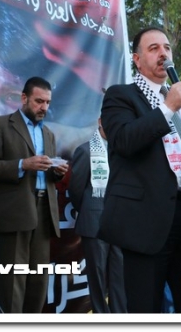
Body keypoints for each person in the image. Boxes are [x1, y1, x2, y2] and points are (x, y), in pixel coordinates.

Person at [97, 27, 181, 313]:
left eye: (166, 47)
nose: (163, 53)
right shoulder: (121, 96)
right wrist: (168, 107)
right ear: (137, 59)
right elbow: (124, 140)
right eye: (153, 48)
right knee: (146, 309)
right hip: (146, 221)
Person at [0, 76, 69, 313]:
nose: (44, 107)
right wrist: (23, 164)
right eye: (39, 101)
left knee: (38, 281)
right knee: (13, 281)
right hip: (15, 213)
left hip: (44, 213)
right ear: (24, 98)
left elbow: (48, 173)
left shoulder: (49, 134)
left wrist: (57, 172)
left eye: (47, 102)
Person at [68, 118, 127, 313]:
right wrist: (89, 210)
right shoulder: (85, 151)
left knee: (119, 278)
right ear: (100, 121)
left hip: (118, 224)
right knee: (97, 278)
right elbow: (76, 190)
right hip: (94, 223)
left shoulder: (122, 152)